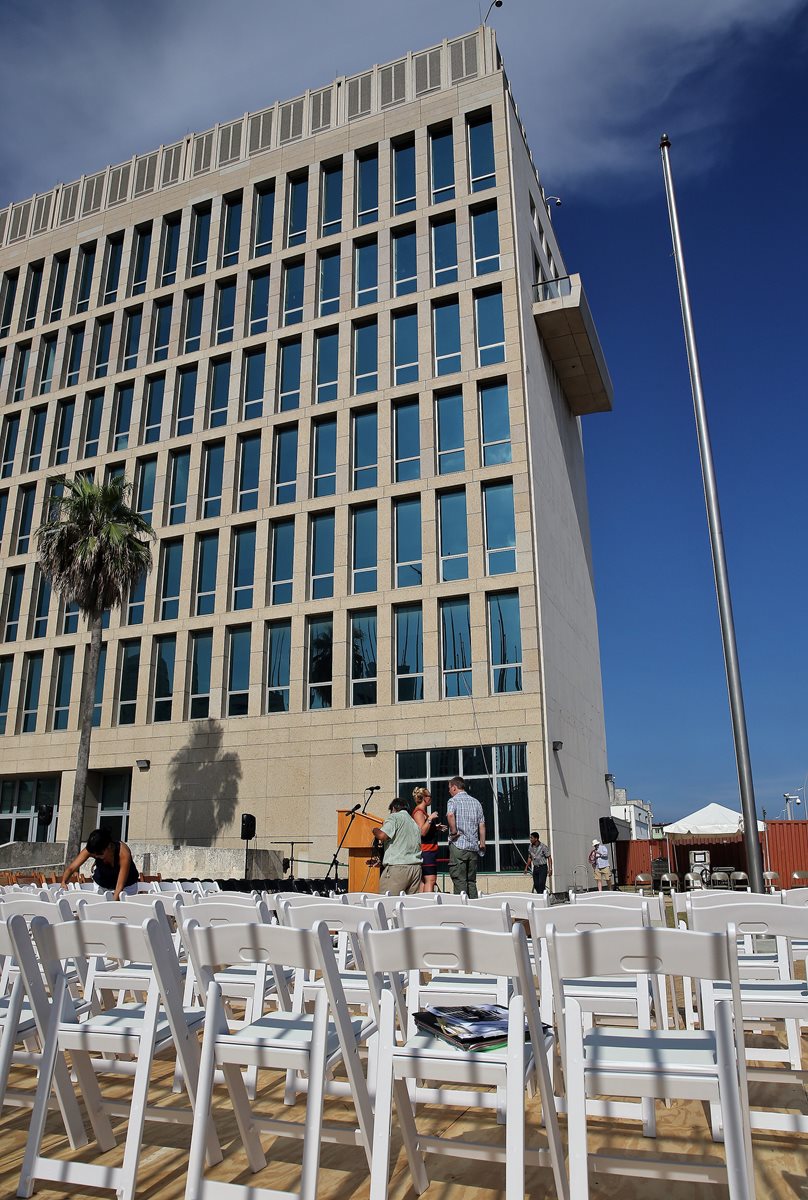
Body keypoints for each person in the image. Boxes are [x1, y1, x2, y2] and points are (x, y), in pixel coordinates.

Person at [61, 827, 140, 900]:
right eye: (94, 855)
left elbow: (119, 886)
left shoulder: (123, 853)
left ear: (109, 846)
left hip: (127, 886)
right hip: (102, 884)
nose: (97, 856)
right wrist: (63, 882)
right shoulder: (93, 849)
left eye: (100, 854)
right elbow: (71, 868)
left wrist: (112, 905)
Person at [372, 798, 423, 896]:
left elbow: (382, 836)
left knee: (387, 903)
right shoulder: (413, 823)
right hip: (415, 868)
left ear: (394, 808)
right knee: (408, 906)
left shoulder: (395, 817)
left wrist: (374, 830)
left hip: (398, 867)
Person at [446, 776, 485, 899]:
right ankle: (474, 907)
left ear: (454, 787)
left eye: (449, 788)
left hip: (459, 845)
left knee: (459, 880)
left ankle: (461, 910)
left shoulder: (453, 801)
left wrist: (453, 832)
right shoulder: (476, 802)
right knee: (471, 881)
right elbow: (482, 824)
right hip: (473, 847)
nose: (449, 791)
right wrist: (482, 843)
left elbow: (450, 814)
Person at [412, 787, 445, 892]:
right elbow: (422, 832)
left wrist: (435, 827)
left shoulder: (422, 812)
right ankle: (428, 904)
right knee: (430, 880)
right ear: (424, 798)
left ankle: (423, 904)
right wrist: (430, 819)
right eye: (429, 796)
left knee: (425, 880)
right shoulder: (419, 812)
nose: (431, 798)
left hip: (429, 850)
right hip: (426, 851)